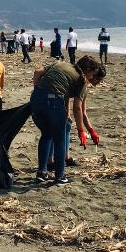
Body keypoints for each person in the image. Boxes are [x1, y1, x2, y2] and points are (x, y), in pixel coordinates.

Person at [30, 56, 105, 185]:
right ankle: (59, 176)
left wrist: (37, 90)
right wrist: (81, 130)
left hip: (36, 99)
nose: (92, 77)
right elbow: (78, 108)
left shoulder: (60, 64)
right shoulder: (82, 79)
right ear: (87, 69)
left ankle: (42, 172)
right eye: (93, 73)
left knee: (46, 135)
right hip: (53, 102)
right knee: (59, 139)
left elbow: (37, 72)